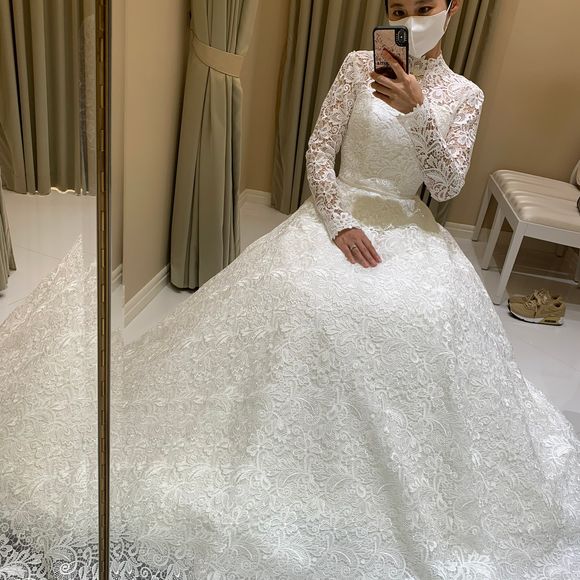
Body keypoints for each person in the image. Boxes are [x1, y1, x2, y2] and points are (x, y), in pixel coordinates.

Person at [1, 0, 580, 578]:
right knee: (303, 299)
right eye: (397, 8)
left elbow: (447, 184)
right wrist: (339, 221)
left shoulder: (465, 94)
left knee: (421, 319)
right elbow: (319, 151)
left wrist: (419, 110)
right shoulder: (357, 65)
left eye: (424, 7)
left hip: (408, 227)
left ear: (452, 7)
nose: (409, 20)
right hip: (338, 215)